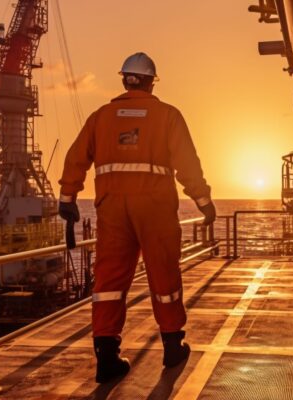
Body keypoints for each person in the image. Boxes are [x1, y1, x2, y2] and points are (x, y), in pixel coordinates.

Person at [57, 52, 215, 383]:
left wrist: (67, 198)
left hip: (112, 208)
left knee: (109, 282)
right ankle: (173, 345)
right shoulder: (168, 116)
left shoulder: (101, 117)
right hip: (155, 208)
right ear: (150, 81)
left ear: (124, 79)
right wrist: (203, 200)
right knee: (164, 275)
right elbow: (187, 163)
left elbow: (75, 158)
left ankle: (107, 358)